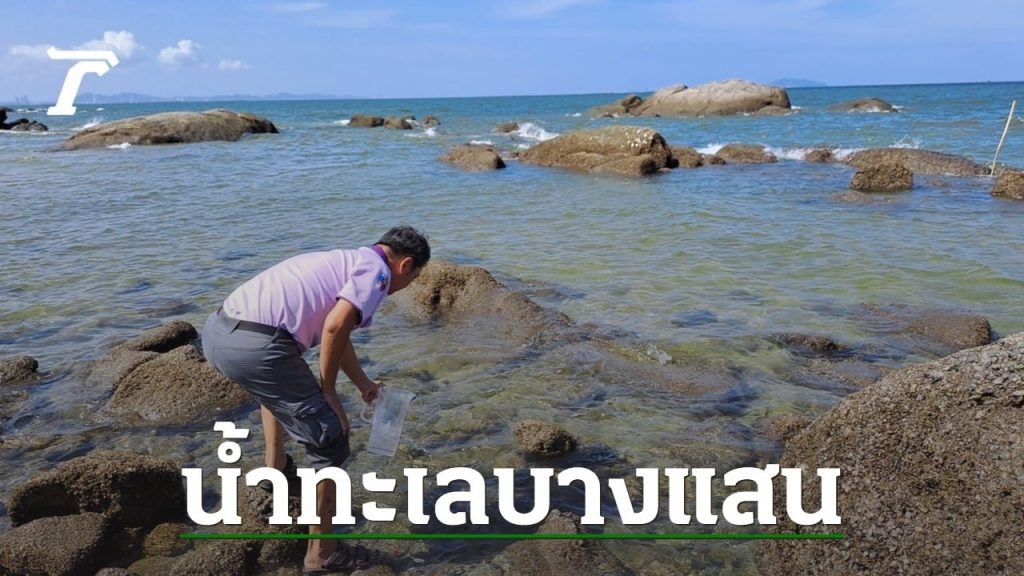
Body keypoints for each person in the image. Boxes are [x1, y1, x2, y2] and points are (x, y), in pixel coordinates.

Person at [202, 226, 430, 574]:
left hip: (218, 334)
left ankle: (274, 471)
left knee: (277, 390)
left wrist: (363, 382)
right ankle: (322, 555)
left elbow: (339, 331)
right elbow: (335, 328)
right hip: (258, 349)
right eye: (413, 279)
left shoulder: (347, 260)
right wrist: (329, 393)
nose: (405, 287)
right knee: (331, 441)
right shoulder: (378, 274)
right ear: (406, 265)